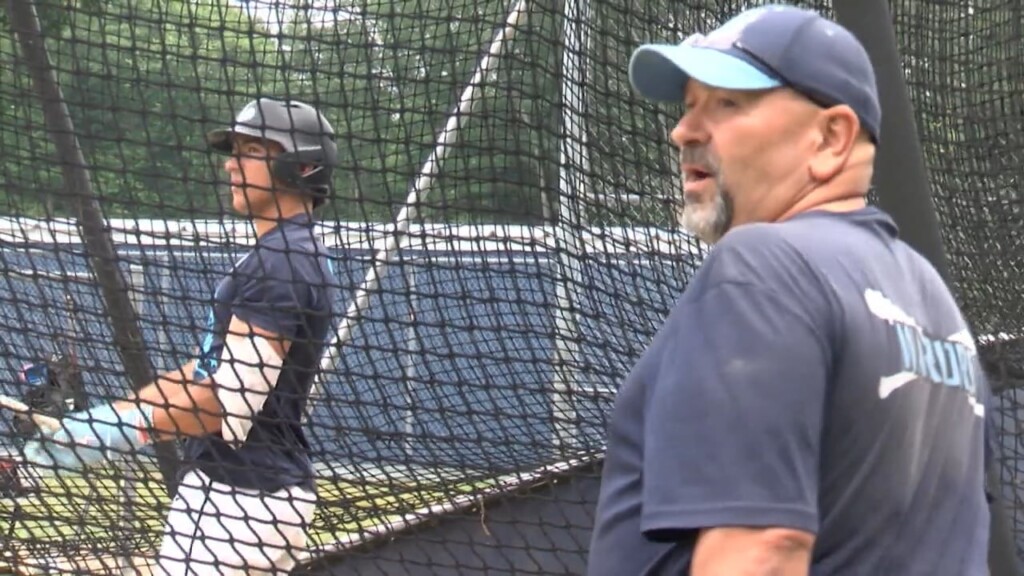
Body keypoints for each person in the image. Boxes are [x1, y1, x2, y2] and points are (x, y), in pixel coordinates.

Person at [587, 5, 994, 575]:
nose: (684, 131)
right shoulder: (935, 304)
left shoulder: (762, 267)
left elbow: (764, 550)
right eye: (689, 106)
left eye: (727, 103)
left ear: (831, 138)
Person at [22, 97, 341, 575]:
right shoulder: (281, 253)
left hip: (242, 499)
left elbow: (228, 403)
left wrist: (122, 431)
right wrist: (110, 414)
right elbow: (204, 371)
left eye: (252, 151)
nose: (231, 165)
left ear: (303, 165)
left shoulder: (281, 263)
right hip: (245, 493)